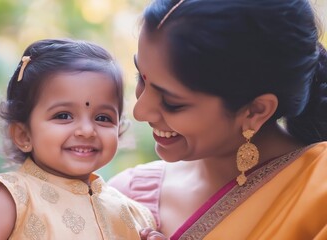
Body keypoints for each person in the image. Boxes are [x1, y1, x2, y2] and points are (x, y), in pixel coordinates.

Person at [108, 0, 327, 239]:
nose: (140, 112)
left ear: (255, 111)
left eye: (172, 102)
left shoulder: (317, 197)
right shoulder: (124, 197)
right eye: (142, 77)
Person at [0, 38, 156, 240]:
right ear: (23, 134)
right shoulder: (9, 201)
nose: (87, 131)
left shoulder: (134, 214)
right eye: (63, 116)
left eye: (103, 118)